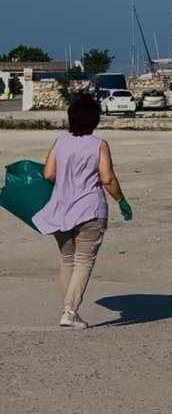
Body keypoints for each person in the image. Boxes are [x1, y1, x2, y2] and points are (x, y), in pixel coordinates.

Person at [32, 92, 132, 329]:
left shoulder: (59, 142)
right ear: (95, 121)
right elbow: (107, 178)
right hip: (89, 210)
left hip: (61, 210)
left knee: (67, 259)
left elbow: (48, 174)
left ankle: (67, 308)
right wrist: (121, 200)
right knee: (84, 260)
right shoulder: (99, 145)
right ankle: (70, 310)